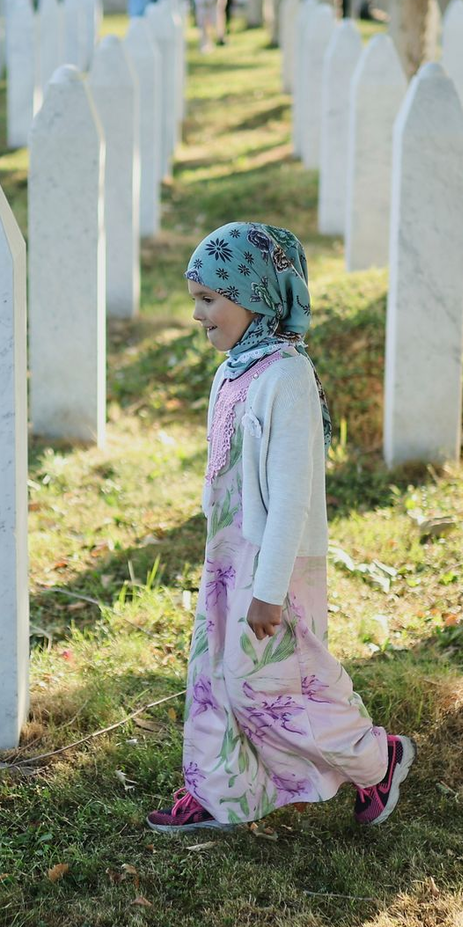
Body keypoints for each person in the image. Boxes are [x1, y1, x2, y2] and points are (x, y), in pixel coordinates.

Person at [146, 222, 416, 833]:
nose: (196, 314)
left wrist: (269, 588)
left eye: (209, 299)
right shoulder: (234, 370)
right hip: (229, 556)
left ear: (257, 294)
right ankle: (219, 791)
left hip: (276, 565)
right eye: (195, 298)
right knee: (215, 675)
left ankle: (378, 759)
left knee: (271, 685)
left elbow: (291, 499)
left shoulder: (286, 378)